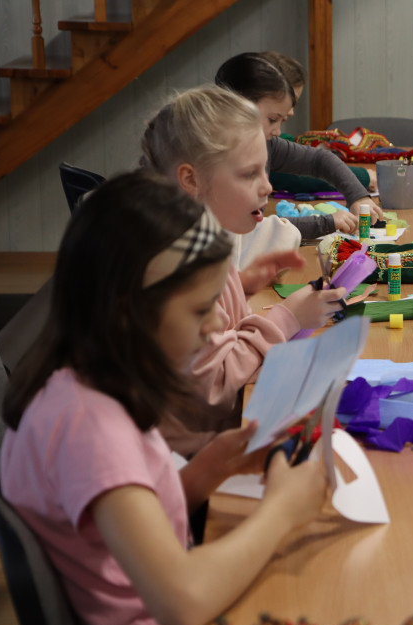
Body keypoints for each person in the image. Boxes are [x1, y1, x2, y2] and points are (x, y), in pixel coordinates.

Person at [0, 170, 328, 625]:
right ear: (129, 314)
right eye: (201, 308)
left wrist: (210, 468)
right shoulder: (88, 425)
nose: (219, 324)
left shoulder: (87, 385)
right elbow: (183, 598)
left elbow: (121, 518)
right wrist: (282, 511)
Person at [141, 85, 346, 456]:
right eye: (249, 173)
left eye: (264, 170)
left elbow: (215, 334)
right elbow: (215, 385)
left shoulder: (200, 241)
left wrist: (242, 285)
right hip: (184, 460)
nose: (267, 186)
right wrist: (287, 319)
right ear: (191, 180)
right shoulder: (184, 264)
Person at [215, 52, 381, 239]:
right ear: (237, 107)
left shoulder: (266, 143)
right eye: (272, 119)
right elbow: (249, 229)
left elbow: (319, 159)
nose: (277, 131)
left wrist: (358, 195)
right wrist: (326, 223)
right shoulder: (217, 159)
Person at [258, 50, 377, 193]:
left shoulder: (270, 141)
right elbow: (296, 176)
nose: (291, 112)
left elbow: (317, 160)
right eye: (272, 119)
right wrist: (363, 177)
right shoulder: (252, 145)